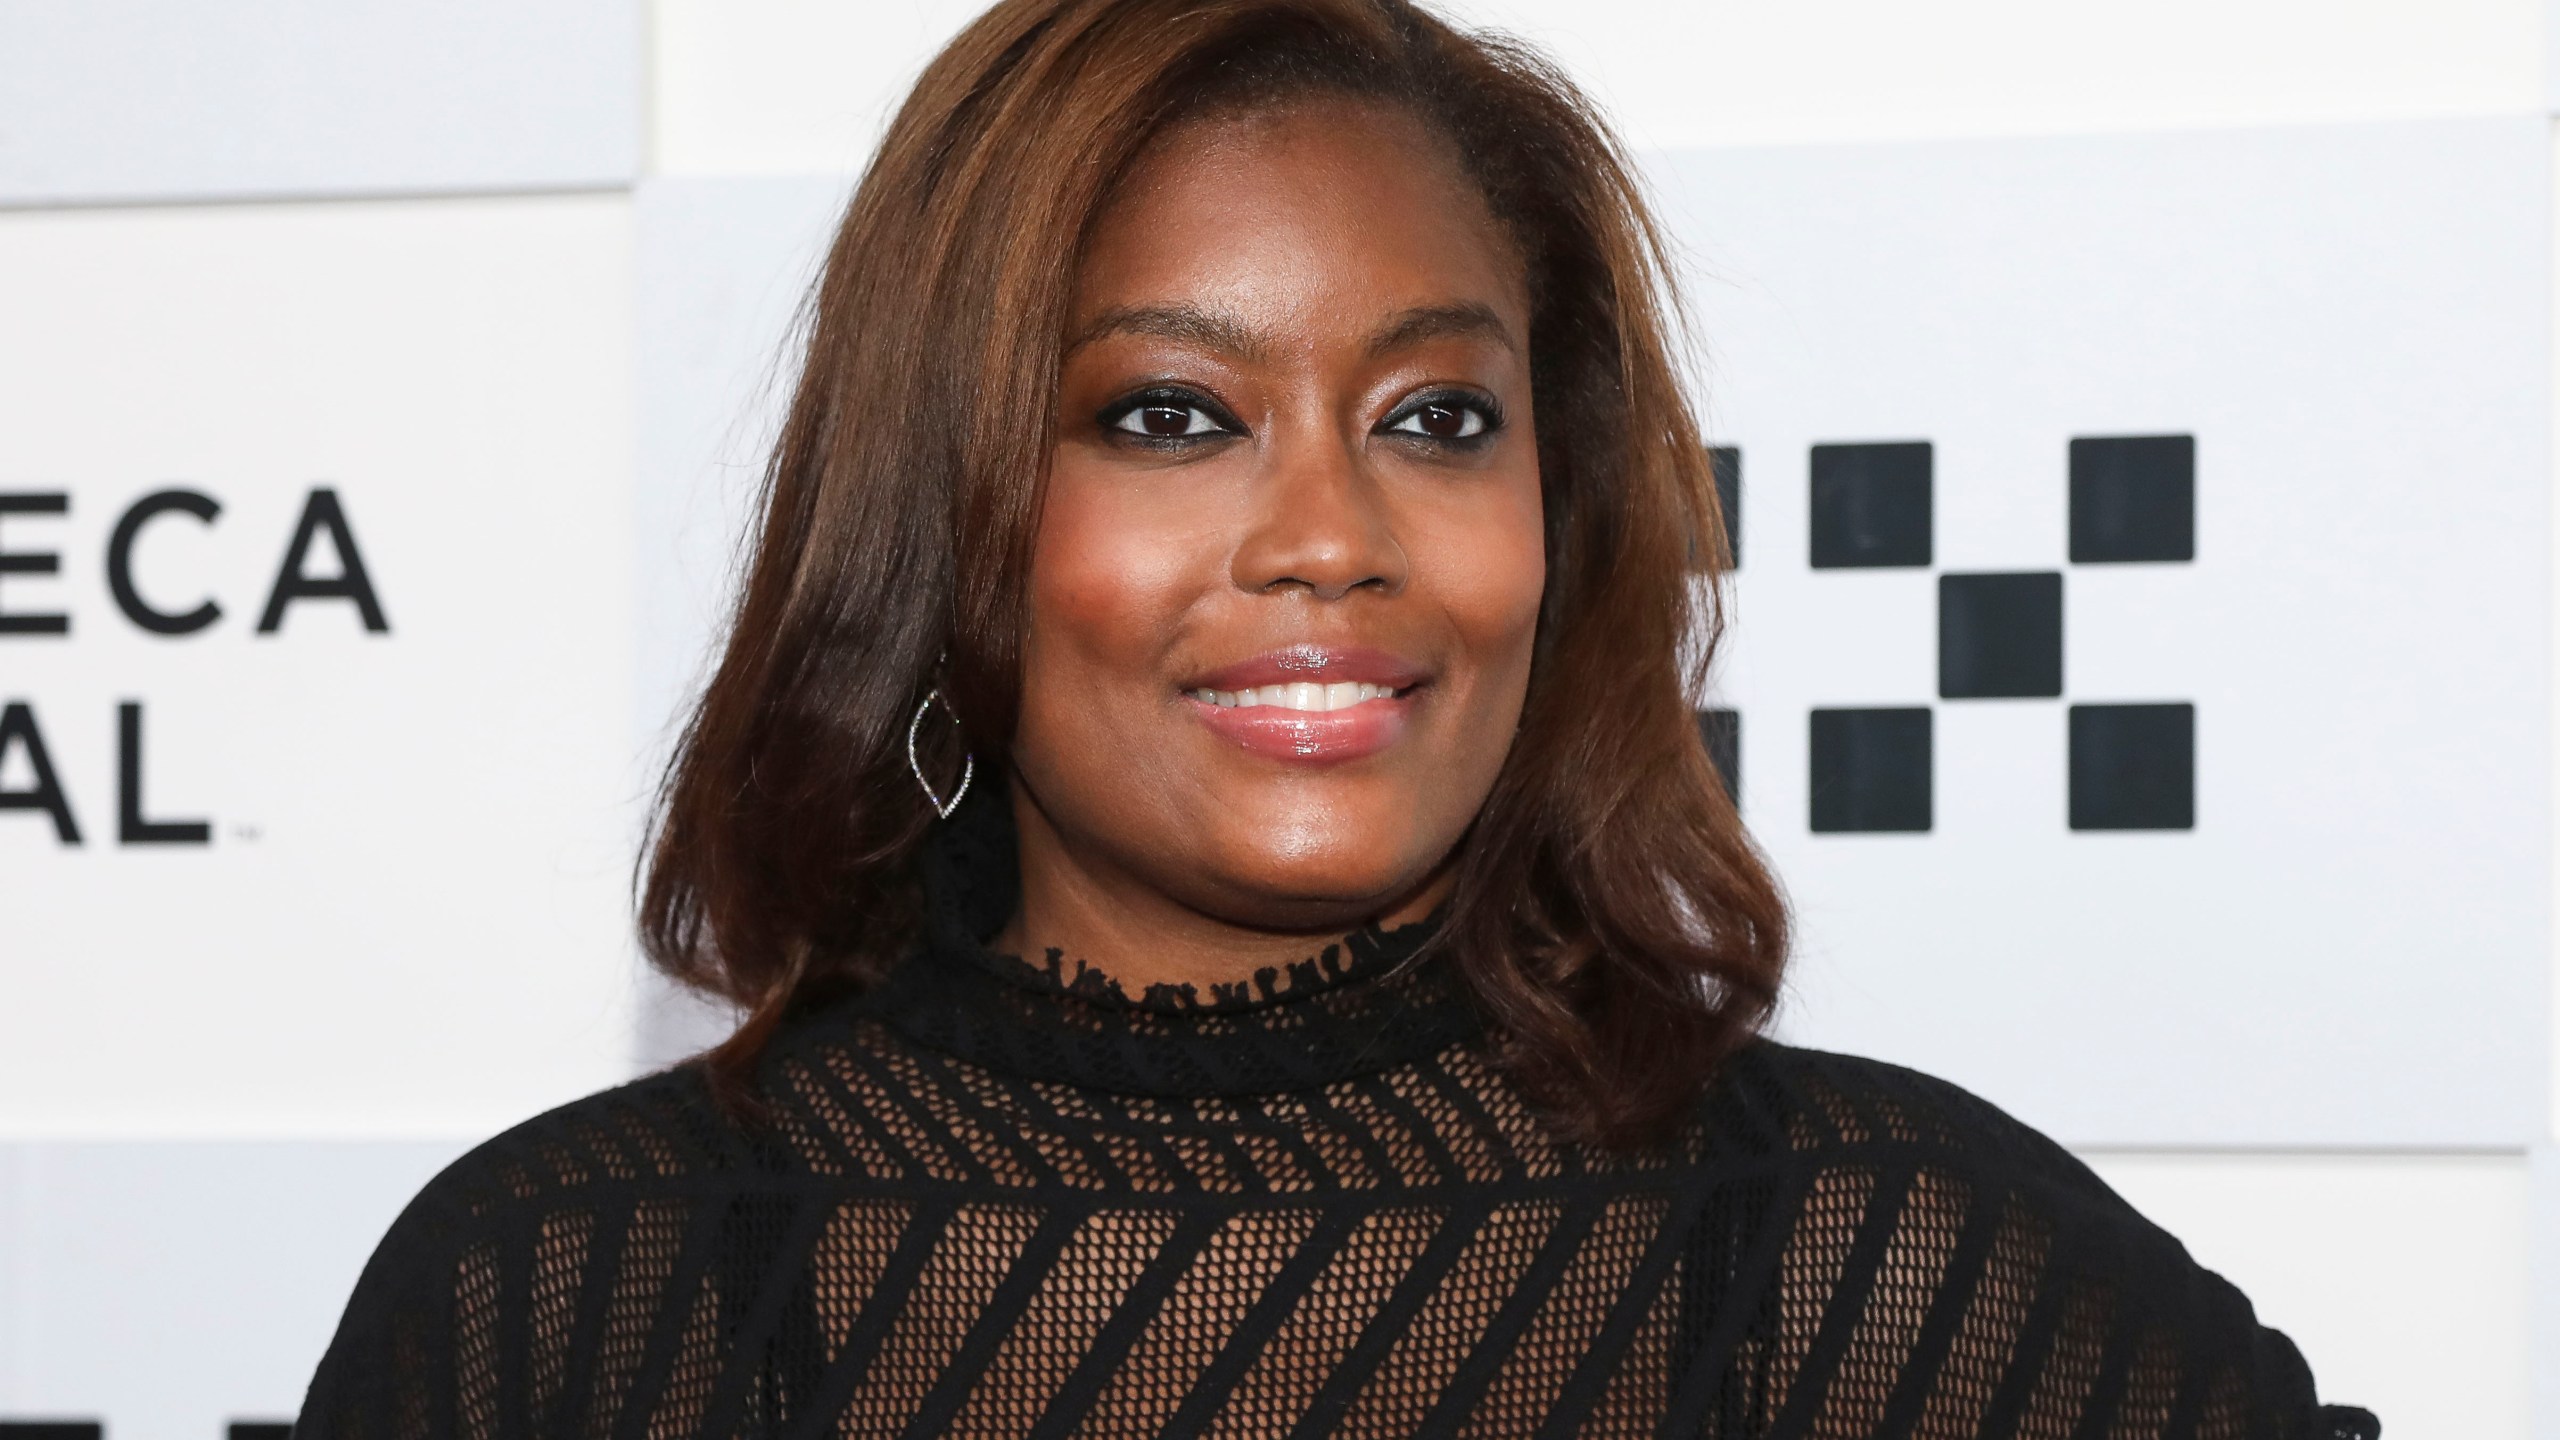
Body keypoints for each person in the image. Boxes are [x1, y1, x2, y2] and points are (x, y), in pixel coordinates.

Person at [297, 0, 2378, 1434]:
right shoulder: (572, 1298)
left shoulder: (1863, 1262)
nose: (1328, 533)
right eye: (1172, 415)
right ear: (941, 515)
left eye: (1435, 418)